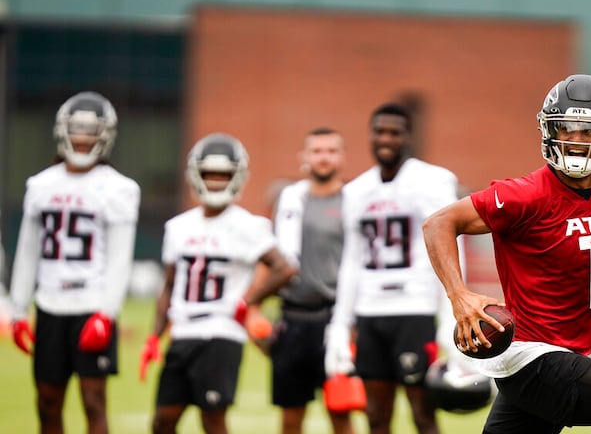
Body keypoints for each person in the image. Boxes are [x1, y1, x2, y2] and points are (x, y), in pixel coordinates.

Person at [422, 74, 591, 434]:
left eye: (587, 130)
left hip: (569, 357)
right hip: (530, 356)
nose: (575, 141)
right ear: (549, 130)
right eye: (566, 129)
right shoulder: (525, 195)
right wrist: (458, 295)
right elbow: (438, 224)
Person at [138, 133, 297, 434]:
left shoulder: (248, 226)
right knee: (162, 421)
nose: (214, 181)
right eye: (208, 174)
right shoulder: (178, 227)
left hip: (220, 334)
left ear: (236, 177)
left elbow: (284, 269)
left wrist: (246, 301)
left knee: (213, 420)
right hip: (183, 332)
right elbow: (170, 286)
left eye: (222, 175)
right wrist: (154, 335)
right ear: (195, 175)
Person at [324, 103, 461, 434]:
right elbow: (351, 261)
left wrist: (452, 314)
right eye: (380, 131)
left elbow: (449, 247)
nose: (386, 139)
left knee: (422, 412)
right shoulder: (356, 191)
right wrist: (341, 325)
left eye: (394, 132)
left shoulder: (432, 180)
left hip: (414, 309)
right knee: (375, 415)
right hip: (371, 312)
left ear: (408, 137)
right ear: (370, 135)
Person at [9, 91, 140, 434]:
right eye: (77, 130)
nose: (82, 139)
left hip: (91, 303)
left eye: (90, 131)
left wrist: (107, 313)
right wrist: (19, 308)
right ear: (62, 131)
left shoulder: (119, 188)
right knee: (47, 401)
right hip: (51, 304)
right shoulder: (40, 185)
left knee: (93, 399)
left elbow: (120, 256)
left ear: (105, 135)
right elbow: (27, 249)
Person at [267, 127, 355, 434]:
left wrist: (353, 325)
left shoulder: (352, 201)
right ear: (304, 157)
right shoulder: (289, 200)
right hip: (292, 318)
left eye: (331, 151)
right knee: (291, 417)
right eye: (317, 151)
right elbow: (271, 257)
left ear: (342, 158)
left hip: (335, 320)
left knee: (341, 413)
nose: (323, 157)